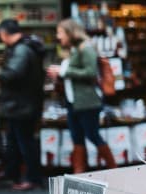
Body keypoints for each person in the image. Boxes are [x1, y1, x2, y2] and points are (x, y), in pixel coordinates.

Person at [47, 19, 117, 173]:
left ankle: (114, 169)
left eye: (60, 33)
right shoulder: (74, 50)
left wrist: (63, 72)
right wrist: (59, 73)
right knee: (77, 137)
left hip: (88, 102)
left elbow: (90, 72)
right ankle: (79, 173)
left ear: (70, 33)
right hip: (74, 102)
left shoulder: (86, 48)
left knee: (92, 135)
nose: (58, 36)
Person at [0, 19, 45, 190]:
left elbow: (13, 74)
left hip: (21, 105)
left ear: (4, 33)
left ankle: (33, 178)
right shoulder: (24, 47)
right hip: (21, 104)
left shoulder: (21, 50)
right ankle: (12, 172)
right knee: (15, 140)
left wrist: (0, 73)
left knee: (24, 141)